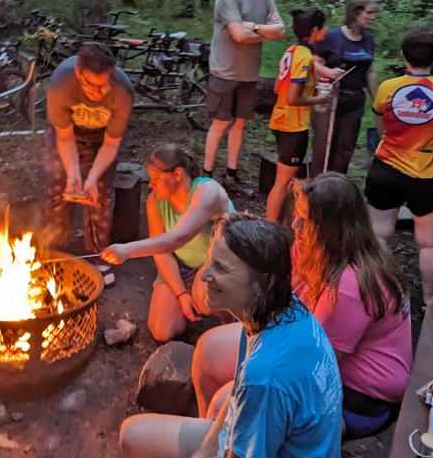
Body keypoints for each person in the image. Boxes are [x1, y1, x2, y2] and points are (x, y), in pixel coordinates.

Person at [191, 175, 412, 441]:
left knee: (226, 404)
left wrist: (246, 386)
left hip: (359, 395)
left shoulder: (349, 287)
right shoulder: (314, 246)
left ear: (333, 228)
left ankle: (228, 441)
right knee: (207, 352)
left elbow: (307, 366)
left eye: (305, 220)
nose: (295, 224)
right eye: (297, 214)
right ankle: (210, 438)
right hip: (313, 352)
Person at [120, 213, 342, 458]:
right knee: (133, 433)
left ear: (263, 283)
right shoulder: (287, 310)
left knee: (132, 435)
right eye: (209, 261)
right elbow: (238, 391)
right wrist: (205, 451)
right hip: (280, 438)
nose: (204, 275)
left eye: (221, 268)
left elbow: (254, 388)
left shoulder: (264, 375)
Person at [366, 27, 433, 305]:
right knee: (429, 243)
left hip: (386, 168)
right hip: (429, 172)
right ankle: (429, 300)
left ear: (402, 55)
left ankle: (372, 295)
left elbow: (381, 127)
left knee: (379, 236)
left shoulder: (387, 88)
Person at [100, 144, 234, 342]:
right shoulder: (155, 201)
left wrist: (127, 250)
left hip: (217, 263)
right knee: (162, 330)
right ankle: (189, 300)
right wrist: (180, 293)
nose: (150, 185)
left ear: (178, 174)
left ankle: (230, 319)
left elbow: (178, 237)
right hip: (181, 265)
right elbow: (162, 251)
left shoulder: (207, 191)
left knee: (203, 295)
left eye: (156, 179)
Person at [203, 0, 286, 190]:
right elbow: (238, 35)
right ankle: (206, 174)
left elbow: (281, 31)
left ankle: (231, 174)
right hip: (225, 71)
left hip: (249, 73)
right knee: (220, 123)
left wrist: (254, 27)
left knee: (240, 123)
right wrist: (262, 30)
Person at [45, 43, 134, 254]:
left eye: (103, 86)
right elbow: (64, 137)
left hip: (101, 139)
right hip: (67, 133)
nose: (97, 93)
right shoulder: (61, 86)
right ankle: (57, 251)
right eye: (91, 86)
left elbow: (111, 143)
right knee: (59, 189)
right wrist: (74, 174)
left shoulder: (122, 92)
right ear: (78, 73)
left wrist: (91, 178)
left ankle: (96, 255)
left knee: (100, 194)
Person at [266, 8, 332, 222]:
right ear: (315, 30)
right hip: (293, 125)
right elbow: (292, 98)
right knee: (282, 183)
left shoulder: (291, 50)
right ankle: (270, 229)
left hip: (280, 119)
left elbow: (278, 88)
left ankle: (283, 223)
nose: (327, 30)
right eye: (324, 26)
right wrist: (320, 99)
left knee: (289, 178)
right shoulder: (304, 57)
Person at [309, 0, 379, 176]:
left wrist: (378, 102)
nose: (372, 18)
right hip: (329, 98)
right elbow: (311, 62)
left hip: (355, 99)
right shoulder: (332, 36)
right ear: (355, 13)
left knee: (345, 149)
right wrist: (328, 72)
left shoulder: (369, 39)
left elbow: (370, 72)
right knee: (323, 145)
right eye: (369, 13)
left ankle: (337, 188)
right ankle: (317, 188)